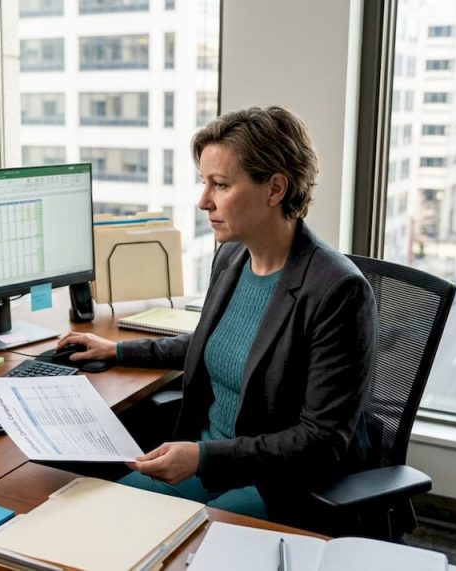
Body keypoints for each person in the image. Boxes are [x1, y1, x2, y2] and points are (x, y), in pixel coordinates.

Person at [56, 105, 377, 532]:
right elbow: (214, 343)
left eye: (220, 185)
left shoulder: (338, 290)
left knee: (177, 543)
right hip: (207, 462)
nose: (203, 201)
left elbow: (322, 440)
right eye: (204, 182)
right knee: (99, 519)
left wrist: (204, 457)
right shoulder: (232, 257)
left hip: (276, 482)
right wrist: (118, 351)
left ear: (275, 188)